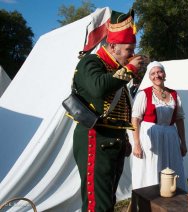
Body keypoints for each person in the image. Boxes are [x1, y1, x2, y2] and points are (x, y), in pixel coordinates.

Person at [72, 9, 144, 211]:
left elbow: (119, 110)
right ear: (112, 46)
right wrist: (129, 69)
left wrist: (125, 139)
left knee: (108, 200)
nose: (132, 55)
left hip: (114, 142)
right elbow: (98, 88)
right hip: (96, 139)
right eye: (129, 50)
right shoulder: (91, 62)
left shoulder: (115, 69)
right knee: (98, 205)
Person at [131, 61, 188, 192]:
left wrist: (183, 142)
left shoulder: (174, 94)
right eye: (153, 73)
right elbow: (135, 119)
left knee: (171, 166)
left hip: (170, 136)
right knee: (151, 167)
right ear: (149, 77)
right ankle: (149, 197)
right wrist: (137, 144)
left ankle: (172, 196)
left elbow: (179, 119)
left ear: (164, 74)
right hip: (150, 136)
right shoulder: (143, 94)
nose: (157, 75)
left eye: (159, 72)